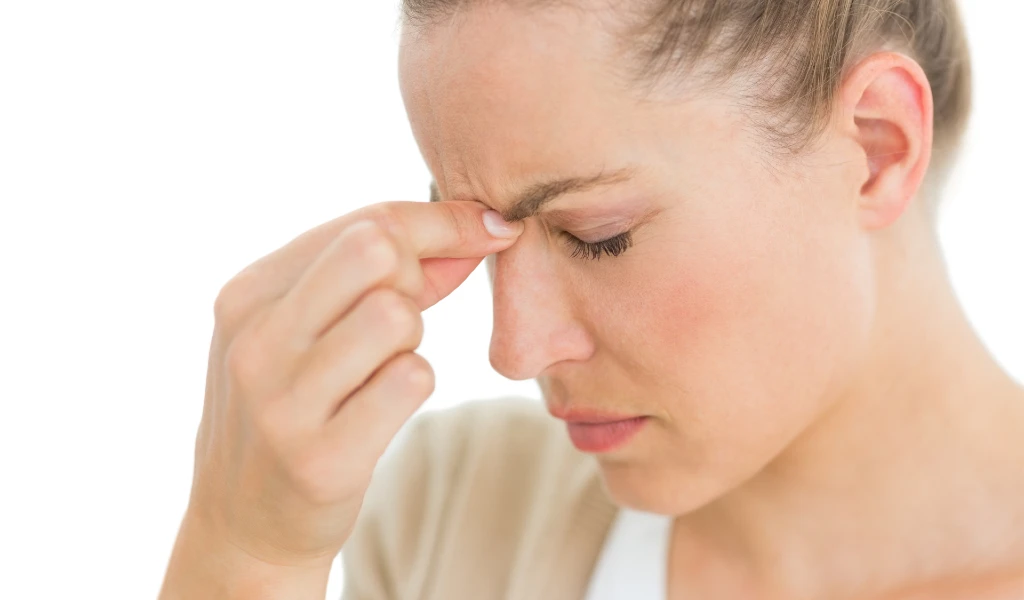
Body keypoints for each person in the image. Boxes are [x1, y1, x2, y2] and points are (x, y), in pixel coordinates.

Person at [158, 0, 1024, 598]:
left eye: (597, 235)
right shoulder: (450, 516)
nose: (514, 350)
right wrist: (245, 555)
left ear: (875, 147)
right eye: (483, 234)